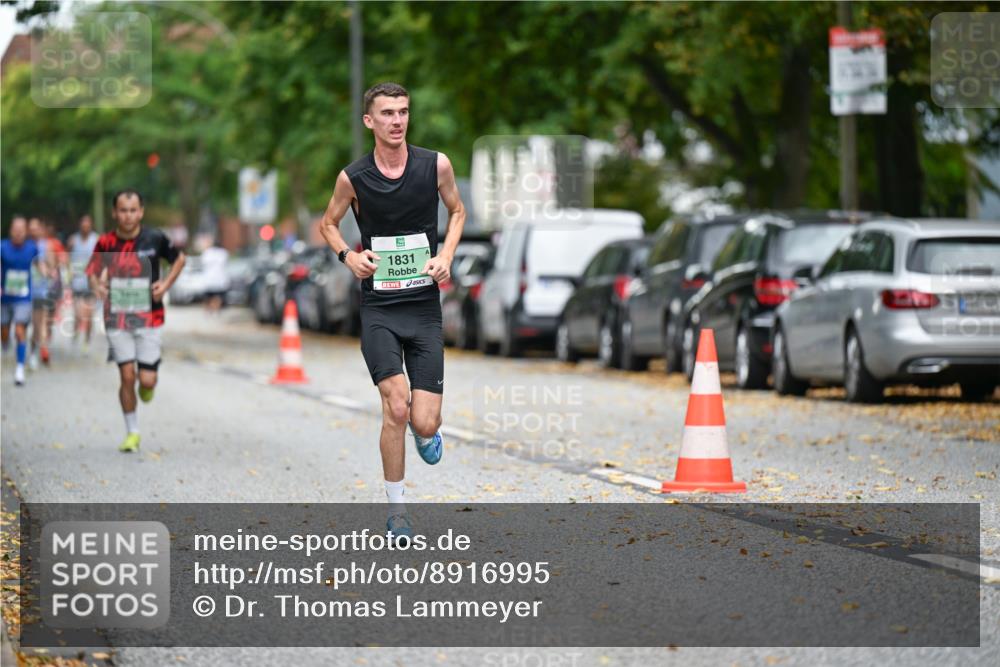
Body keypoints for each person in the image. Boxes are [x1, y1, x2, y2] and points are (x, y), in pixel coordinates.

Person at [319, 82, 466, 541]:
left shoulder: (435, 165)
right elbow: (327, 223)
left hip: (423, 308)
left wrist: (446, 256)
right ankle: (397, 511)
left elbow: (457, 212)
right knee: (396, 406)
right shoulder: (353, 178)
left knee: (423, 420)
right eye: (387, 113)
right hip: (379, 307)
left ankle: (427, 432)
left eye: (403, 111)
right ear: (370, 121)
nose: (397, 120)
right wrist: (348, 256)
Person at [87, 190, 186, 453]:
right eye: (123, 210)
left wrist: (165, 285)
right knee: (126, 375)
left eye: (133, 210)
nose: (128, 216)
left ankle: (148, 384)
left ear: (141, 212)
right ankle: (132, 432)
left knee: (147, 380)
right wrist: (98, 287)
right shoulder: (106, 242)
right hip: (117, 318)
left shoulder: (155, 238)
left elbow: (180, 259)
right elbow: (92, 272)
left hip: (150, 318)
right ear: (114, 213)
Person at [1, 216, 39, 385]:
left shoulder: (32, 248)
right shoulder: (2, 247)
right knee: (4, 332)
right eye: (15, 230)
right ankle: (5, 343)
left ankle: (19, 369)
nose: (18, 233)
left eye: (21, 230)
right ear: (11, 231)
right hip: (5, 297)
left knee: (19, 330)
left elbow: (39, 264)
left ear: (26, 232)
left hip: (23, 297)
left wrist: (47, 271)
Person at [27, 217, 55, 368]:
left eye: (35, 228)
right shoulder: (25, 246)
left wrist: (48, 270)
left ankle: (42, 349)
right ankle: (34, 351)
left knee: (41, 322)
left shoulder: (46, 246)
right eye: (30, 229)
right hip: (26, 292)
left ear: (41, 229)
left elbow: (52, 266)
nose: (33, 232)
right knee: (35, 325)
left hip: (42, 291)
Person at [68, 214, 99, 346]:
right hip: (77, 283)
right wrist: (68, 274)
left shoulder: (96, 240)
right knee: (78, 314)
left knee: (89, 315)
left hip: (91, 283)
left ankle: (87, 341)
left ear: (91, 225)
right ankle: (75, 337)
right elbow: (67, 259)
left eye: (88, 224)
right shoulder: (73, 240)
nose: (85, 226)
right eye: (83, 224)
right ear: (80, 225)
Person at [199, 240, 230, 314]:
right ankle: (216, 310)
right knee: (217, 297)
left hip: (208, 279)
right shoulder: (223, 253)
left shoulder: (207, 253)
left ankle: (208, 311)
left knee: (208, 297)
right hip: (219, 279)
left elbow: (202, 263)